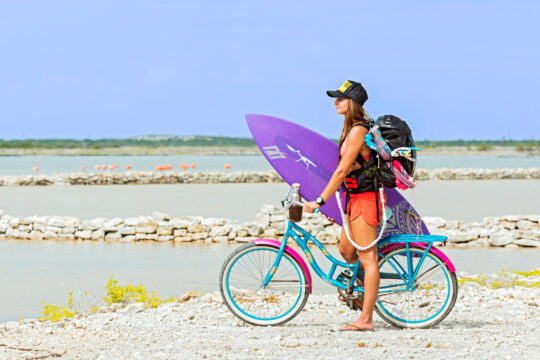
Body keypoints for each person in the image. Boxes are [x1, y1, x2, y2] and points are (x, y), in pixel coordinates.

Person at [304, 80, 385, 331]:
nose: (335, 102)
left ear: (353, 103)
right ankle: (360, 297)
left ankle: (367, 319)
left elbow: (341, 170)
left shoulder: (358, 130)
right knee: (346, 251)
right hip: (352, 199)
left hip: (365, 201)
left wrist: (319, 201)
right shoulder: (349, 128)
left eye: (340, 98)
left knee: (368, 258)